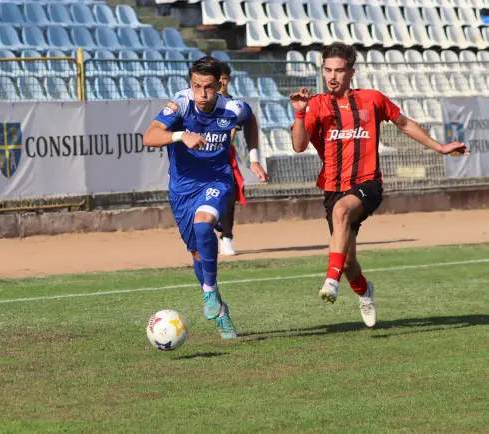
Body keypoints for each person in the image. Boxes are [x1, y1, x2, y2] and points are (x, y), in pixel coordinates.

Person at [290, 42, 468, 328]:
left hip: (367, 183)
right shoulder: (316, 106)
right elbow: (298, 146)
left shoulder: (372, 99)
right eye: (327, 70)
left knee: (341, 212)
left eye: (339, 70)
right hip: (333, 187)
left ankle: (330, 280)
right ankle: (363, 291)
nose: (332, 76)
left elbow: (405, 123)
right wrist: (299, 113)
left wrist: (440, 147)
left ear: (351, 72)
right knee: (348, 261)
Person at [143, 56, 269, 339]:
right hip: (182, 189)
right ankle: (221, 311)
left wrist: (254, 158)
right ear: (191, 84)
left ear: (220, 84)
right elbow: (149, 136)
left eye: (209, 87)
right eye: (197, 86)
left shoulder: (233, 108)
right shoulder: (181, 104)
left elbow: (251, 122)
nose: (202, 93)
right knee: (198, 254)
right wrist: (180, 136)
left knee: (204, 225)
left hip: (217, 180)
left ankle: (210, 292)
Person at [217, 62, 245, 256]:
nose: (221, 82)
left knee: (229, 197)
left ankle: (227, 237)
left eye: (224, 77)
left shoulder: (234, 105)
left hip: (224, 158)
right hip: (202, 158)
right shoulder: (201, 103)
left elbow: (232, 131)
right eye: (217, 78)